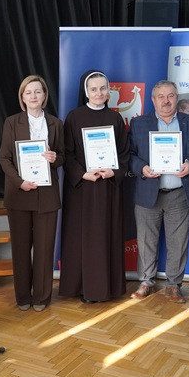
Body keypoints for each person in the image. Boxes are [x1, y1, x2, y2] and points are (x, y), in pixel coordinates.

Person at [128, 81, 189, 303]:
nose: (166, 101)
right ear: (153, 100)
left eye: (171, 96)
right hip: (148, 192)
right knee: (146, 241)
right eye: (161, 96)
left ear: (177, 98)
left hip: (179, 193)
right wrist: (142, 168)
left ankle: (174, 285)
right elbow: (129, 155)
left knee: (178, 242)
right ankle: (146, 281)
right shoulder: (139, 123)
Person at [59, 70, 130, 303]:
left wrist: (114, 172)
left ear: (108, 91)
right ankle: (83, 288)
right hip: (83, 189)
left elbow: (124, 154)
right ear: (86, 92)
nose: (99, 93)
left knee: (106, 236)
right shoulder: (74, 117)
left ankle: (107, 288)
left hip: (108, 188)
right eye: (93, 89)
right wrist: (82, 174)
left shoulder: (115, 119)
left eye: (102, 88)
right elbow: (67, 154)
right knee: (83, 238)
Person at [0, 75, 64, 311]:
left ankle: (42, 297)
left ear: (45, 95)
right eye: (29, 92)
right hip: (20, 193)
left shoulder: (56, 123)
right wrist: (20, 182)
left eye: (38, 91)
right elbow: (4, 158)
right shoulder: (12, 122)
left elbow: (63, 156)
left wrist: (55, 158)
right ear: (22, 97)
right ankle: (23, 297)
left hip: (47, 195)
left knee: (45, 249)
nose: (33, 96)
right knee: (21, 249)